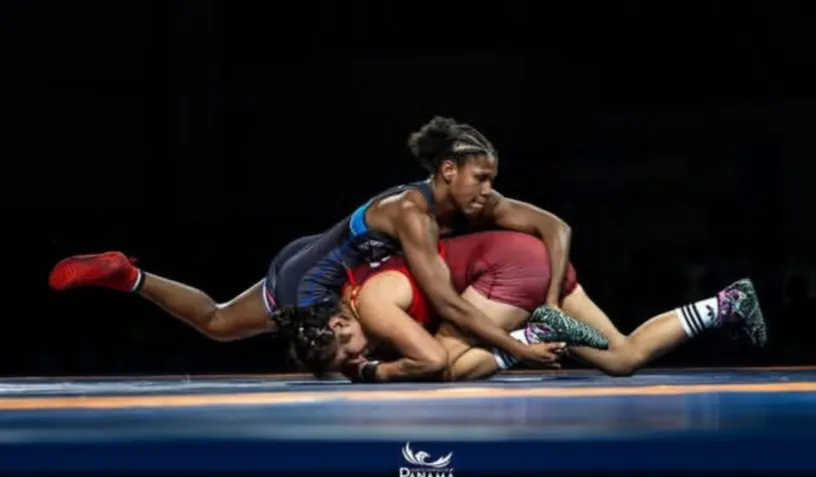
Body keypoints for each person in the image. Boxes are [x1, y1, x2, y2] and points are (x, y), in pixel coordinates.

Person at [48, 116, 598, 367]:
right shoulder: (414, 214)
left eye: (492, 180)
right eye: (482, 179)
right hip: (312, 285)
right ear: (449, 171)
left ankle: (129, 277)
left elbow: (556, 227)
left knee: (217, 323)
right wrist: (517, 349)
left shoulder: (474, 197)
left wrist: (549, 298)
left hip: (313, 251)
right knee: (379, 347)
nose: (490, 191)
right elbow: (449, 308)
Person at [274, 230, 767, 383]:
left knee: (448, 369)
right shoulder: (359, 303)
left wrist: (370, 374)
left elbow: (431, 359)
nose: (353, 360)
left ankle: (532, 331)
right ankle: (726, 304)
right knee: (622, 357)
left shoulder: (375, 306)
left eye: (347, 354)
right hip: (519, 264)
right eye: (345, 366)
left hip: (504, 271)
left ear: (341, 322)